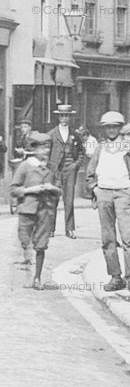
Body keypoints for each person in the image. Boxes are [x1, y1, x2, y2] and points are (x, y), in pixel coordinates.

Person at [86, 111, 130, 293]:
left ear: (120, 128)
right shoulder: (100, 148)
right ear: (104, 129)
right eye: (108, 127)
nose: (112, 130)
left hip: (123, 194)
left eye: (115, 126)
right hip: (104, 194)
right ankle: (115, 276)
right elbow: (90, 174)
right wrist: (95, 189)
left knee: (128, 237)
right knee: (108, 238)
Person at [10, 132, 62, 290]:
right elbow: (13, 189)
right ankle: (25, 275)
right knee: (25, 242)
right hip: (27, 210)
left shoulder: (52, 167)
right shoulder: (26, 166)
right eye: (42, 148)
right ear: (34, 149)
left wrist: (52, 188)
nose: (45, 151)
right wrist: (31, 189)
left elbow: (60, 191)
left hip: (45, 211)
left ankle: (37, 278)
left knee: (41, 245)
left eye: (47, 147)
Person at [48, 104, 85, 239]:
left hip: (70, 169)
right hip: (56, 170)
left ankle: (69, 229)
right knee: (53, 199)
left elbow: (81, 152)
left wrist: (76, 165)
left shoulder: (75, 134)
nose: (64, 118)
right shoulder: (51, 134)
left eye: (67, 115)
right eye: (62, 115)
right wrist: (50, 168)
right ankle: (50, 229)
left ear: (70, 117)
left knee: (69, 200)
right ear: (58, 117)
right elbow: (45, 152)